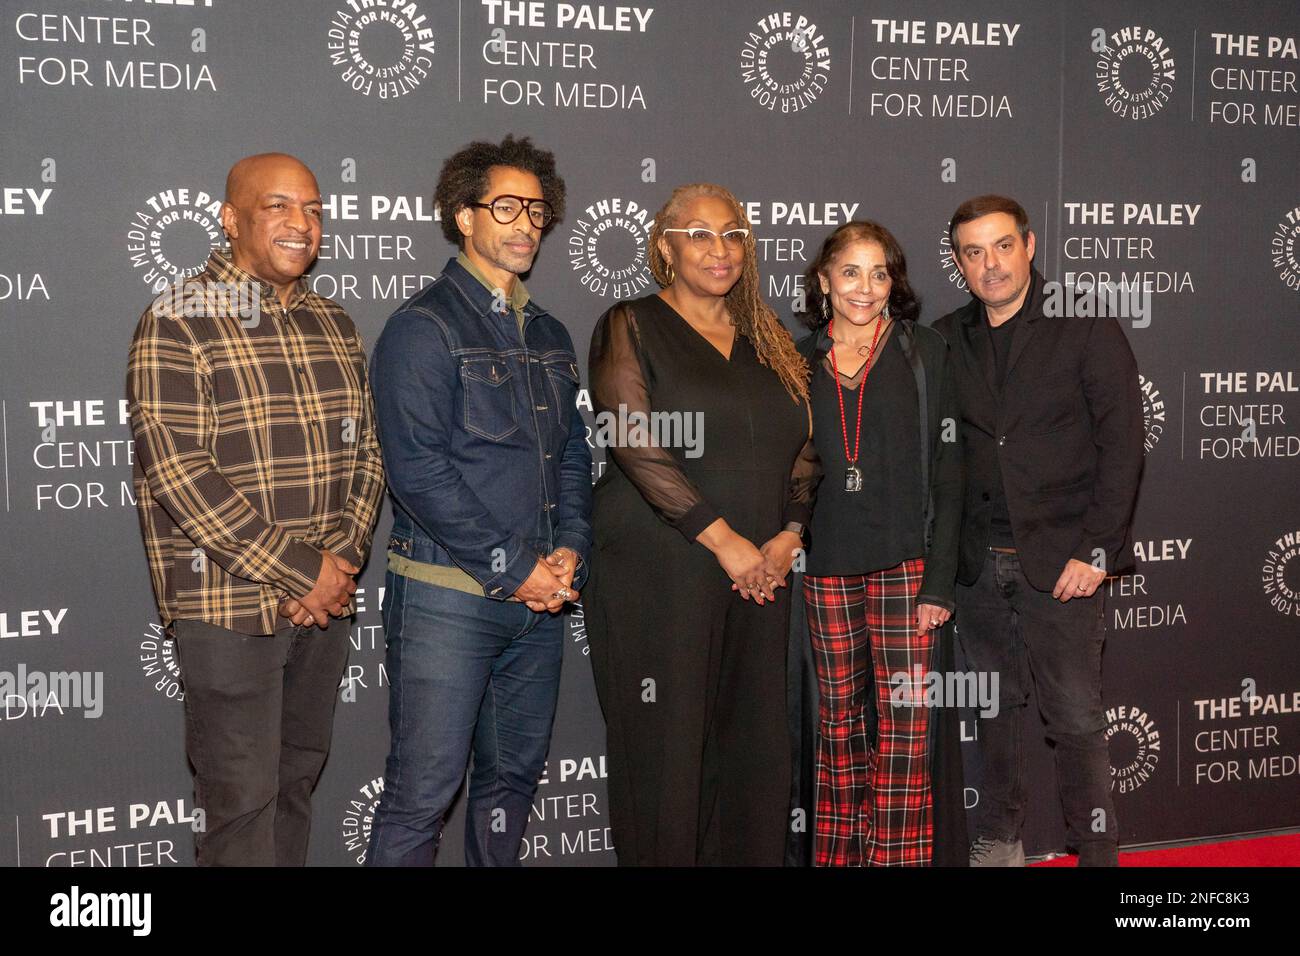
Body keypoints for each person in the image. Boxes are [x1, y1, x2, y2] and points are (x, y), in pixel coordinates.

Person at [127, 152, 386, 866]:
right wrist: (304, 571)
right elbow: (182, 475)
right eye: (278, 206)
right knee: (240, 813)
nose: (301, 223)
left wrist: (340, 562)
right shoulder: (177, 319)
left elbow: (366, 455)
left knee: (295, 789)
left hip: (323, 607)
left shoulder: (336, 323)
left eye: (312, 209)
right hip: (227, 610)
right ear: (231, 218)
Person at [366, 135, 592, 867]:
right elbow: (418, 473)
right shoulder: (423, 328)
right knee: (421, 798)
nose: (526, 222)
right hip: (446, 602)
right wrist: (514, 565)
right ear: (463, 217)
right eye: (505, 206)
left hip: (538, 608)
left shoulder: (552, 333)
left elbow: (572, 455)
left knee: (511, 788)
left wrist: (571, 548)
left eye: (537, 209)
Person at [584, 182, 817, 866]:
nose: (720, 249)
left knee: (751, 743)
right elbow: (630, 437)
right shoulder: (630, 322)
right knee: (669, 743)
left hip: (761, 571)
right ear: (665, 246)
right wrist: (722, 540)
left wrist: (790, 533)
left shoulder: (766, 334)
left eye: (733, 234)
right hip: (662, 565)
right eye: (700, 234)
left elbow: (807, 447)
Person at [933, 195, 1144, 867]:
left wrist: (1098, 550)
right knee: (994, 717)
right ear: (960, 263)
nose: (989, 264)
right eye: (973, 252)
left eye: (1001, 246)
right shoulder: (944, 337)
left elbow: (1124, 445)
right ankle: (1000, 846)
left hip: (1063, 565)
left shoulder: (1083, 323)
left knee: (1078, 721)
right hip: (977, 570)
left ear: (1028, 245)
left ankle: (1098, 854)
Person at [797, 221, 963, 866]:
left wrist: (940, 581)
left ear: (894, 281)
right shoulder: (796, 357)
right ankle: (840, 859)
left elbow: (951, 473)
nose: (864, 288)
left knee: (904, 730)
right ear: (824, 280)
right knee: (838, 724)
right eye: (849, 272)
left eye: (879, 273)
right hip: (824, 567)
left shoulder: (924, 351)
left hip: (907, 566)